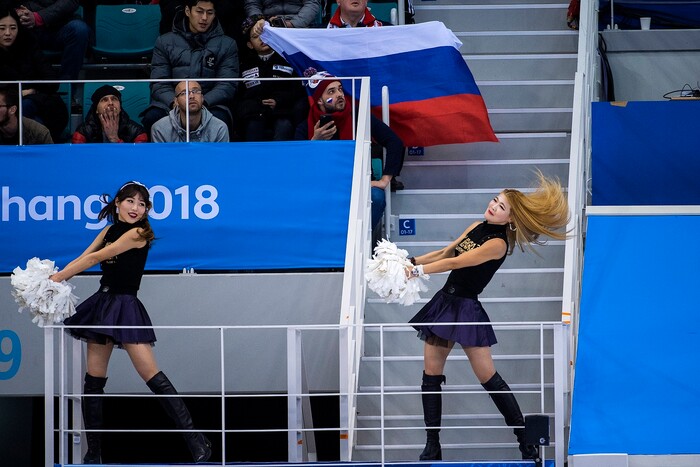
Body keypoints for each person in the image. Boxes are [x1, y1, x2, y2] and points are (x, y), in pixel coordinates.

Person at [405, 173, 570, 461]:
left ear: (509, 219)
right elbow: (447, 251)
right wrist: (411, 261)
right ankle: (433, 445)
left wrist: (418, 272)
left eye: (501, 206)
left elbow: (456, 262)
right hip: (445, 303)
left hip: (467, 309)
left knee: (488, 377)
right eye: (495, 200)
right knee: (430, 375)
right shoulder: (477, 226)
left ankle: (524, 439)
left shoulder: (498, 244)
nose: (493, 206)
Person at [54, 181, 212, 464]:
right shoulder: (108, 230)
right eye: (131, 201)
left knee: (152, 376)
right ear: (118, 203)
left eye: (142, 204)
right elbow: (84, 256)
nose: (136, 208)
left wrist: (58, 278)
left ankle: (197, 441)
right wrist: (52, 279)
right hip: (102, 304)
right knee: (94, 381)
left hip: (125, 306)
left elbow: (97, 257)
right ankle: (95, 453)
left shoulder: (139, 233)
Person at [294, 72, 405, 240]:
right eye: (331, 92)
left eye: (339, 89)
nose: (339, 95)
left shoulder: (358, 117)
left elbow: (395, 142)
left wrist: (384, 179)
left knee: (376, 196)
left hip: (355, 184)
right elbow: (297, 166)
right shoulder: (304, 127)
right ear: (319, 100)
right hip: (322, 185)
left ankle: (354, 242)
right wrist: (314, 142)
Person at [141, 0, 238, 138]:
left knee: (221, 117)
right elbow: (159, 83)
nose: (204, 18)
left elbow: (227, 85)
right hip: (171, 103)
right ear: (187, 11)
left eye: (209, 13)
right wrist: (176, 101)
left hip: (209, 104)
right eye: (199, 11)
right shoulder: (164, 41)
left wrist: (200, 101)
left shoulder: (227, 44)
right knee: (152, 117)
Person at [0, 5, 68, 142]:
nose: (8, 33)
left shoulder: (28, 44)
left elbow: (52, 81)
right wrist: (22, 91)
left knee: (29, 109)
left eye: (13, 28)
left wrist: (31, 91)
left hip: (39, 104)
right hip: (8, 109)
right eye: (2, 28)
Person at [237, 14, 307, 141]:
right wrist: (258, 104)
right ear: (250, 44)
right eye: (255, 37)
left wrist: (279, 101)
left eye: (264, 33)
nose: (261, 39)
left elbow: (298, 90)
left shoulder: (287, 59)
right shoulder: (244, 65)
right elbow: (241, 96)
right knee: (252, 127)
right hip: (255, 115)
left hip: (283, 112)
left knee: (284, 126)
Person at [13, 0, 89, 80]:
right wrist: (18, 12)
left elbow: (70, 1)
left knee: (79, 29)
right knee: (9, 27)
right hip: (26, 26)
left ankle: (66, 86)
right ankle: (19, 88)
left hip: (60, 26)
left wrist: (38, 17)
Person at [151, 80, 229, 142]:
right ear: (176, 101)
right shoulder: (160, 129)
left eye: (196, 91)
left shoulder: (219, 128)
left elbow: (220, 160)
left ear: (202, 98)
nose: (191, 96)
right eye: (184, 93)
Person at [72, 85, 148, 144]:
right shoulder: (83, 132)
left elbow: (137, 158)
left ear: (120, 107)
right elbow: (78, 158)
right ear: (96, 109)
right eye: (104, 100)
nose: (110, 103)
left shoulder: (137, 132)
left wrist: (115, 139)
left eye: (114, 99)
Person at [244, 0, 321, 28]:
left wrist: (294, 23)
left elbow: (312, 3)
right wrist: (260, 20)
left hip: (300, 23)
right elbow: (252, 4)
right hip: (268, 23)